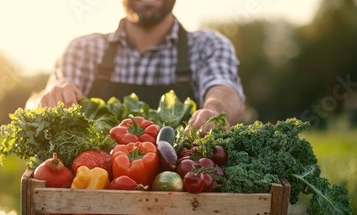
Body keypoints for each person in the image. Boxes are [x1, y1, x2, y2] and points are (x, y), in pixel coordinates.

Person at [26, 0, 245, 131]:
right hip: (96, 196)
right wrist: (48, 99)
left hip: (183, 197)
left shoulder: (207, 46)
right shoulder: (83, 49)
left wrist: (214, 111)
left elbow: (223, 89)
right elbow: (42, 99)